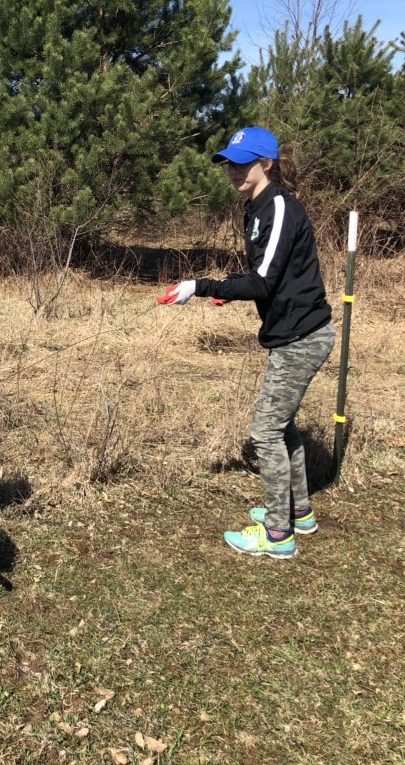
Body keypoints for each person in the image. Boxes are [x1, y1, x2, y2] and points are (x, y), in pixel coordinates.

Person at [157, 126, 335, 560]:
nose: (233, 171)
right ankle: (300, 513)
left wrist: (199, 285)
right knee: (282, 425)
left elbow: (262, 280)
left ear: (266, 165)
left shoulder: (278, 208)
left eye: (243, 163)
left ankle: (278, 536)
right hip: (290, 330)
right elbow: (264, 279)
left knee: (266, 432)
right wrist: (229, 289)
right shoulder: (254, 208)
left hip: (302, 335)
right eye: (229, 163)